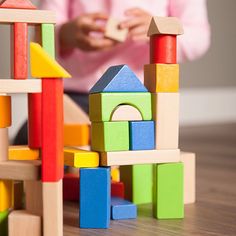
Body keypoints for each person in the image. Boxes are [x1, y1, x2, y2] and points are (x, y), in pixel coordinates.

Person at [14, 0, 210, 144]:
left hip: (139, 99)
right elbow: (41, 34)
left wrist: (162, 30)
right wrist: (66, 33)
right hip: (75, 96)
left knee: (132, 148)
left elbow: (199, 37)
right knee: (31, 141)